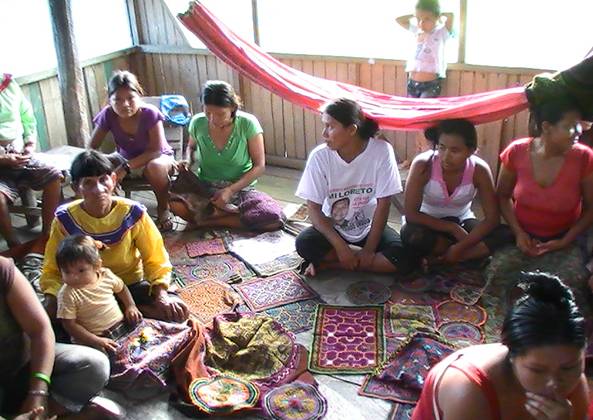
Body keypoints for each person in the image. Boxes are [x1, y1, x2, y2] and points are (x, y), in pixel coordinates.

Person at [412, 272, 589, 420]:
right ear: (511, 354)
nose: (555, 384)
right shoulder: (468, 392)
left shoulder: (573, 382)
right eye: (537, 370)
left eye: (569, 368)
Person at [40, 150, 188, 323]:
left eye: (103, 179)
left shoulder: (133, 213)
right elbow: (52, 267)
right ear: (75, 188)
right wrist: (51, 299)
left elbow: (156, 259)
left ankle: (120, 313)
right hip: (83, 289)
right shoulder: (64, 220)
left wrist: (162, 295)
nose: (99, 189)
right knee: (50, 319)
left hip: (130, 285)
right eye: (88, 183)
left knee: (177, 311)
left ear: (114, 179)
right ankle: (119, 316)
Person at [294, 98, 416, 276]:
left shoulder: (381, 151)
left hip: (370, 227)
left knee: (402, 258)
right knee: (304, 243)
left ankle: (331, 265)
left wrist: (368, 250)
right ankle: (355, 261)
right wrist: (341, 247)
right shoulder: (320, 157)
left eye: (330, 127)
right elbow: (313, 209)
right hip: (335, 228)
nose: (324, 134)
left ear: (352, 129)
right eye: (324, 126)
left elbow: (384, 204)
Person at [490, 98, 593, 308]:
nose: (577, 132)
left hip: (565, 237)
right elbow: (502, 196)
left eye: (579, 125)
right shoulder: (517, 152)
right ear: (547, 127)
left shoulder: (584, 157)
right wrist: (519, 233)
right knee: (498, 272)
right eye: (569, 127)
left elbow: (591, 209)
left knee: (571, 281)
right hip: (522, 236)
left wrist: (565, 240)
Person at [0, 255, 120, 419]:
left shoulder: (3, 269)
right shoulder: (69, 293)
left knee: (94, 365)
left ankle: (40, 412)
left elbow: (40, 330)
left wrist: (38, 392)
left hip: (25, 364)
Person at [171, 80, 284, 231]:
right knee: (173, 204)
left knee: (272, 218)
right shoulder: (198, 122)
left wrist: (230, 190)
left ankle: (209, 220)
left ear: (232, 107)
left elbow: (259, 166)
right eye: (208, 113)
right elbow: (191, 147)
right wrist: (187, 161)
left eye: (220, 114)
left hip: (241, 189)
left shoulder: (247, 124)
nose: (213, 119)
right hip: (205, 188)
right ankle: (226, 216)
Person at [401, 119, 511, 264]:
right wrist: (452, 228)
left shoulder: (479, 170)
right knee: (411, 234)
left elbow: (492, 219)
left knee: (506, 234)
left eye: (455, 150)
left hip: (463, 221)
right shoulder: (423, 165)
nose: (446, 156)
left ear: (471, 150)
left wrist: (460, 247)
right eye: (441, 147)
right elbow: (411, 214)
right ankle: (469, 255)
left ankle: (448, 256)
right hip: (427, 223)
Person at [88, 70, 177, 232]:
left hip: (158, 158)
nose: (125, 104)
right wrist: (102, 170)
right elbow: (91, 148)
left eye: (130, 98)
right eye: (118, 100)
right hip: (124, 158)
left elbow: (155, 151)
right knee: (97, 165)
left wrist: (125, 168)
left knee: (155, 167)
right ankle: (112, 211)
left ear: (139, 96)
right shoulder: (108, 114)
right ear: (110, 100)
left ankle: (163, 209)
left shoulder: (150, 113)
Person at [0, 73, 62, 252]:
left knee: (53, 175)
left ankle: (47, 234)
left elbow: (27, 118)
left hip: (20, 154)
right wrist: (3, 159)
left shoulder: (8, 84)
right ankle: (14, 245)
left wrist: (29, 145)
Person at [56, 234, 143, 352]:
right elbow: (69, 325)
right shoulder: (67, 294)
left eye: (81, 270)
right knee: (117, 361)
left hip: (122, 326)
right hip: (93, 341)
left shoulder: (105, 275)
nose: (74, 277)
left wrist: (130, 306)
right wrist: (97, 340)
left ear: (97, 265)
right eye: (67, 272)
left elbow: (121, 288)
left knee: (148, 337)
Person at [396, 0, 454, 98]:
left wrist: (438, 13)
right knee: (413, 112)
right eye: (418, 19)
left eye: (427, 19)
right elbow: (399, 20)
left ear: (436, 17)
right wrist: (415, 15)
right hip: (412, 83)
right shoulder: (416, 31)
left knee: (424, 110)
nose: (421, 23)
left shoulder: (441, 32)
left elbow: (451, 16)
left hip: (430, 85)